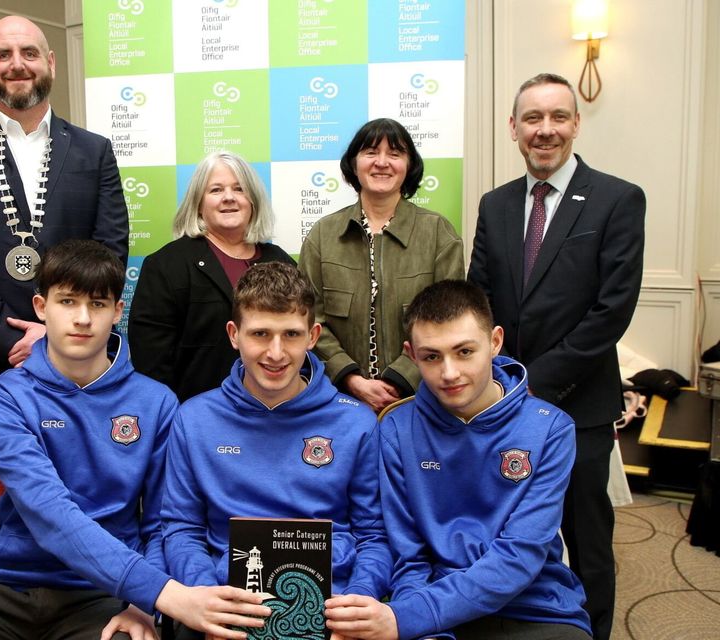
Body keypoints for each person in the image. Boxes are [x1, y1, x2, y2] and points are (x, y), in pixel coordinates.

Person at [0, 239, 270, 640]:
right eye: (67, 302)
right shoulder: (3, 397)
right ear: (42, 308)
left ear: (117, 312)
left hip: (107, 595)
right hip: (7, 587)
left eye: (98, 304)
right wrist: (163, 593)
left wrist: (142, 601)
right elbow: (50, 514)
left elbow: (159, 525)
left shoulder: (156, 403)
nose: (82, 318)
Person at [0, 15, 128, 542]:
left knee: (78, 493)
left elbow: (108, 251)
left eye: (30, 52)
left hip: (74, 358)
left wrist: (54, 332)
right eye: (5, 54)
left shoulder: (93, 149)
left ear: (50, 63)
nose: (18, 64)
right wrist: (12, 337)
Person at [467, 73, 645, 640]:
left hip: (577, 406)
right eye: (533, 119)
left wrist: (534, 384)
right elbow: (480, 300)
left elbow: (611, 312)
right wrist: (497, 381)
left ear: (575, 123)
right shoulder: (494, 204)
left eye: (558, 117)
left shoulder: (618, 198)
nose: (546, 130)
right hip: (502, 405)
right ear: (513, 128)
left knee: (586, 535)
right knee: (507, 529)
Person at [325, 279, 592, 640]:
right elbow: (409, 556)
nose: (449, 373)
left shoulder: (550, 429)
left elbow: (519, 556)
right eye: (431, 357)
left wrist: (406, 618)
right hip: (427, 603)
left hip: (534, 605)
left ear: (495, 342)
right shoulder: (396, 428)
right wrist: (419, 623)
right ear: (412, 354)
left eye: (464, 352)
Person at [162, 262, 392, 637]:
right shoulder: (194, 419)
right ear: (234, 335)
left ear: (313, 336)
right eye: (261, 334)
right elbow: (181, 528)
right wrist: (205, 596)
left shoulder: (356, 424)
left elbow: (374, 536)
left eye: (291, 334)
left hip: (333, 607)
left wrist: (358, 603)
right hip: (227, 606)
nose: (276, 352)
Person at [298, 118, 464, 414]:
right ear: (354, 162)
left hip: (422, 400)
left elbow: (449, 319)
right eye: (371, 152)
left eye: (395, 154)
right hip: (338, 403)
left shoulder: (439, 233)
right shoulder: (322, 235)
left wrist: (400, 379)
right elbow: (309, 319)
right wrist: (349, 378)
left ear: (409, 165)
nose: (382, 163)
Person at [128, 150, 295, 402]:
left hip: (275, 412)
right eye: (216, 190)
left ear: (253, 200)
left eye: (239, 189)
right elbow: (151, 364)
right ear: (198, 203)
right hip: (194, 418)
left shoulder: (280, 261)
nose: (229, 198)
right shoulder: (165, 266)